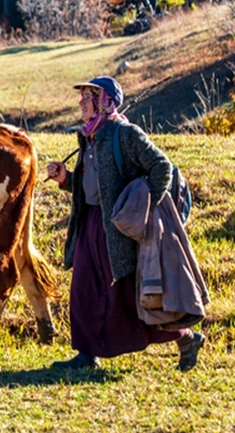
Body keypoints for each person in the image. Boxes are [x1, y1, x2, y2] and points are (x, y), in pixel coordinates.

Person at [47, 76, 205, 372]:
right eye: (81, 96)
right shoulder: (89, 136)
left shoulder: (125, 133)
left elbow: (161, 167)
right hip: (90, 224)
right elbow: (91, 185)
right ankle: (86, 353)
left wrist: (143, 206)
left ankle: (186, 339)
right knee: (83, 288)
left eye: (87, 97)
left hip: (119, 228)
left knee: (128, 297)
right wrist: (66, 179)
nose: (81, 102)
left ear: (104, 101)